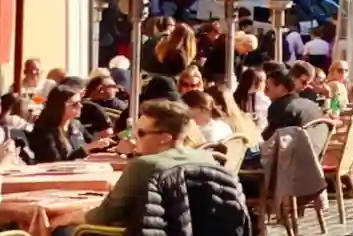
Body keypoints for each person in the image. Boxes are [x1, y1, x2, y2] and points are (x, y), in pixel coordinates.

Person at [77, 99, 220, 229]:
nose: (133, 136)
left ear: (165, 138)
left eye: (141, 133)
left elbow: (102, 216)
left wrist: (64, 218)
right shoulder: (206, 157)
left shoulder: (144, 165)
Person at [25, 81, 114, 162]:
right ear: (59, 107)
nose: (80, 106)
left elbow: (92, 145)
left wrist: (109, 144)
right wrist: (85, 149)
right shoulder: (44, 131)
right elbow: (55, 162)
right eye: (75, 104)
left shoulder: (76, 125)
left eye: (80, 102)